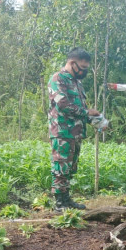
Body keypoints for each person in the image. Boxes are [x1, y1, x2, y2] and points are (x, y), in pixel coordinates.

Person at [47, 47, 101, 211]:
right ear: (72, 63)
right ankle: (59, 204)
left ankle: (66, 199)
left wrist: (96, 121)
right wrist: (87, 112)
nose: (84, 71)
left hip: (75, 132)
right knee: (61, 167)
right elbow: (63, 105)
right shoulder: (57, 79)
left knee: (70, 168)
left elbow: (80, 108)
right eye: (83, 67)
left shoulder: (77, 83)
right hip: (62, 131)